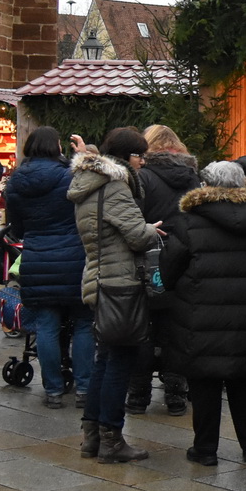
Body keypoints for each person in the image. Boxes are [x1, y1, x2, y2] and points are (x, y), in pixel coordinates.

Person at [162, 160, 246, 465]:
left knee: (205, 387)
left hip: (201, 321)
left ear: (208, 186)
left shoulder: (188, 223)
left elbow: (168, 273)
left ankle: (205, 450)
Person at [71, 128, 164, 463]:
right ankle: (112, 440)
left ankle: (92, 437)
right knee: (120, 361)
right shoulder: (115, 187)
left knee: (105, 359)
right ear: (127, 157)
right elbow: (137, 237)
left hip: (98, 278)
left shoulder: (89, 184)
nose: (142, 163)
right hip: (120, 283)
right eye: (140, 156)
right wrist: (152, 229)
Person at [4, 127, 94, 410]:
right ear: (56, 147)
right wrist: (85, 156)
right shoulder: (69, 175)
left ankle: (53, 390)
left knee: (45, 326)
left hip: (37, 258)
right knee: (82, 323)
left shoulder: (16, 181)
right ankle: (84, 388)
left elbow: (15, 229)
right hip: (74, 258)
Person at [128, 124, 199, 416]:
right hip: (183, 262)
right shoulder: (193, 179)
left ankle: (138, 395)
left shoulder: (141, 177)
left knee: (142, 329)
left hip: (147, 260)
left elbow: (134, 220)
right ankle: (175, 395)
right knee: (176, 330)